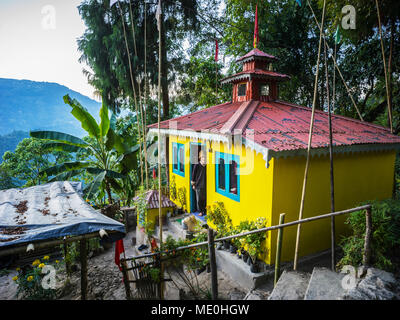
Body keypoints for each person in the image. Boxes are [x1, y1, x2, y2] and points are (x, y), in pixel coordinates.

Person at [191, 150, 206, 216]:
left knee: (205, 198)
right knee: (199, 199)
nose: (204, 158)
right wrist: (193, 184)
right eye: (202, 157)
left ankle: (204, 210)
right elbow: (193, 176)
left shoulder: (207, 166)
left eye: (205, 157)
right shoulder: (197, 165)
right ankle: (200, 211)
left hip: (205, 184)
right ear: (200, 157)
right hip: (198, 184)